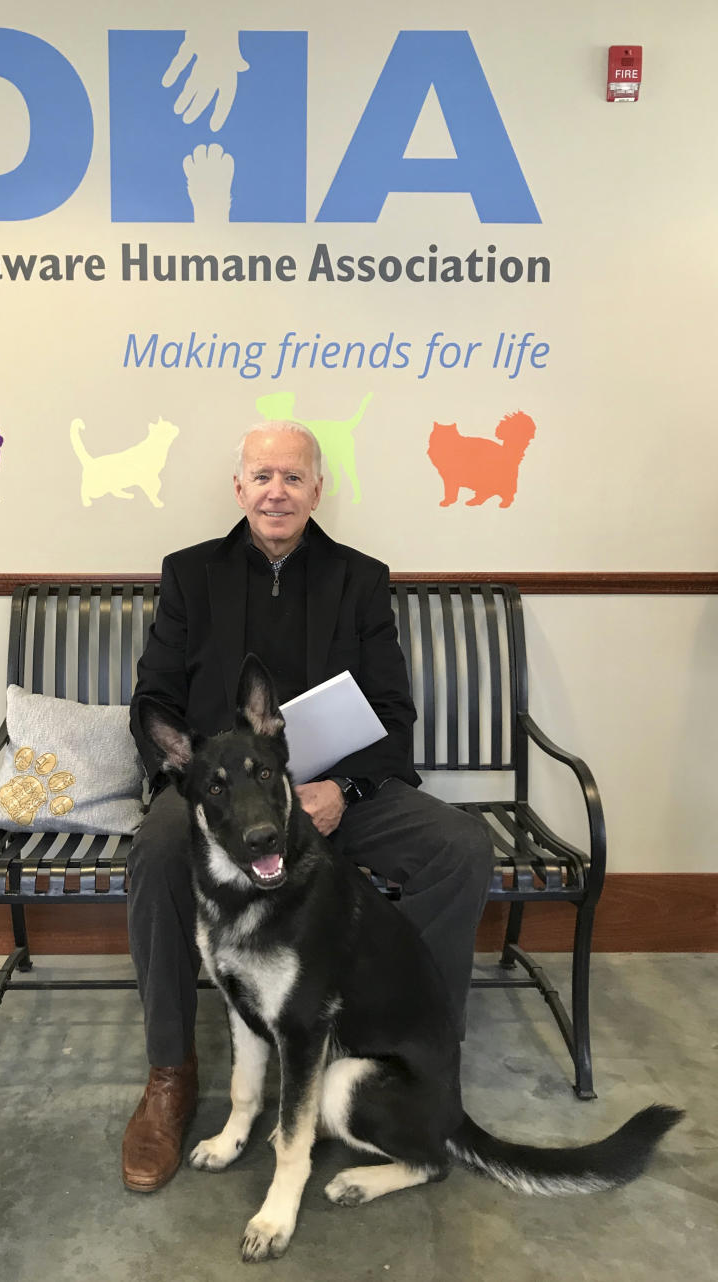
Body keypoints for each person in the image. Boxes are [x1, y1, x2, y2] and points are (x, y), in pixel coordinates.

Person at [121, 420, 495, 1192]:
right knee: (159, 847)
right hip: (226, 797)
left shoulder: (359, 578)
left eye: (293, 477)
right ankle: (169, 1074)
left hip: (337, 790)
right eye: (262, 476)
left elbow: (393, 714)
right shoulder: (190, 576)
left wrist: (344, 790)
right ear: (239, 488)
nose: (277, 491)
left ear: (318, 489)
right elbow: (154, 698)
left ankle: (406, 1058)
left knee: (458, 848)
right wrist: (190, 782)